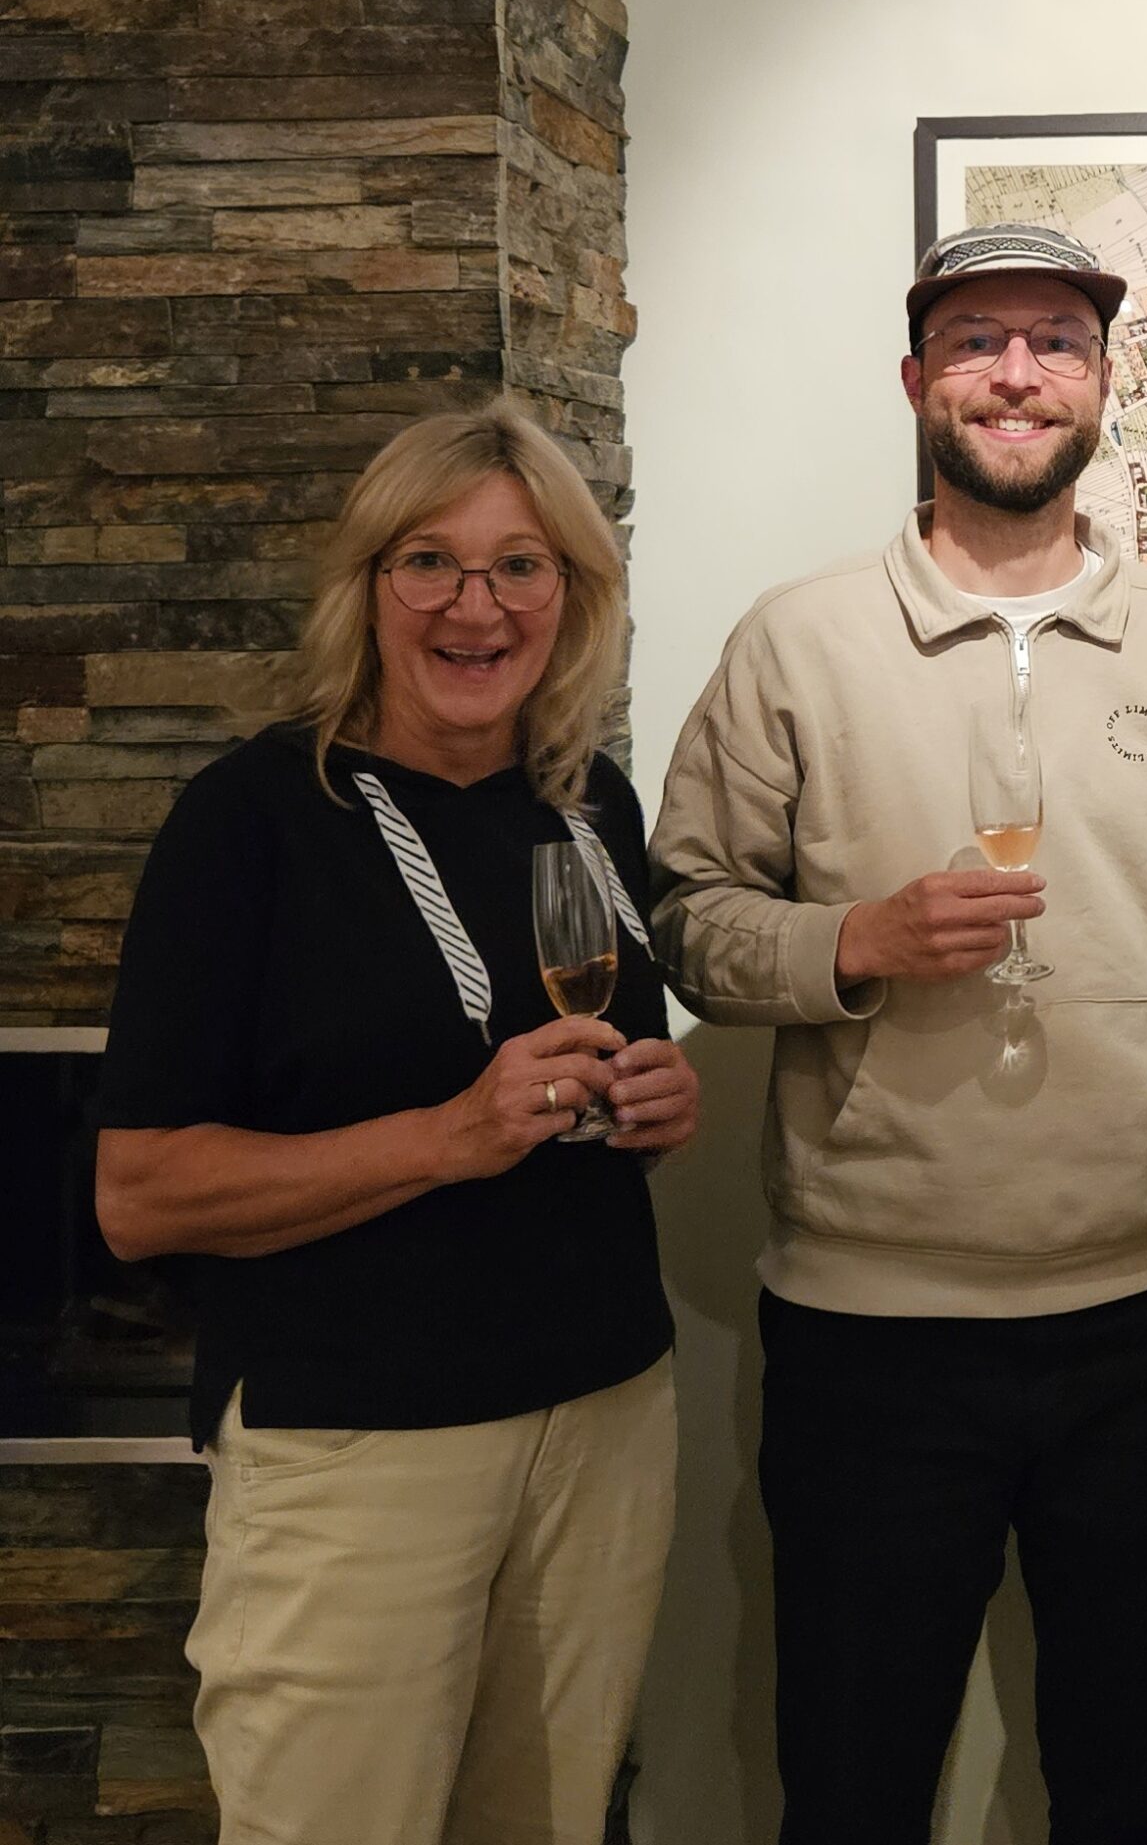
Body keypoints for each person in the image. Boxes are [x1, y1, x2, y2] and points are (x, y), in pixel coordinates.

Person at [649, 223, 1147, 1845]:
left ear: (1102, 384)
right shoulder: (794, 642)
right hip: (867, 1336)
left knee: (1141, 1792)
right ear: (916, 380)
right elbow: (684, 921)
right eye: (978, 339)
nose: (1017, 371)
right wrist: (851, 941)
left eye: (1057, 341)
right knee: (856, 1787)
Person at [91, 401, 697, 1845]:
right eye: (430, 561)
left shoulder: (588, 804)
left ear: (574, 596)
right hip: (358, 1443)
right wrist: (446, 1136)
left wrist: (654, 1102)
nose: (475, 605)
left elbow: (602, 1063)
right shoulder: (251, 821)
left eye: (521, 566)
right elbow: (141, 1194)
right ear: (367, 587)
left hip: (602, 1414)